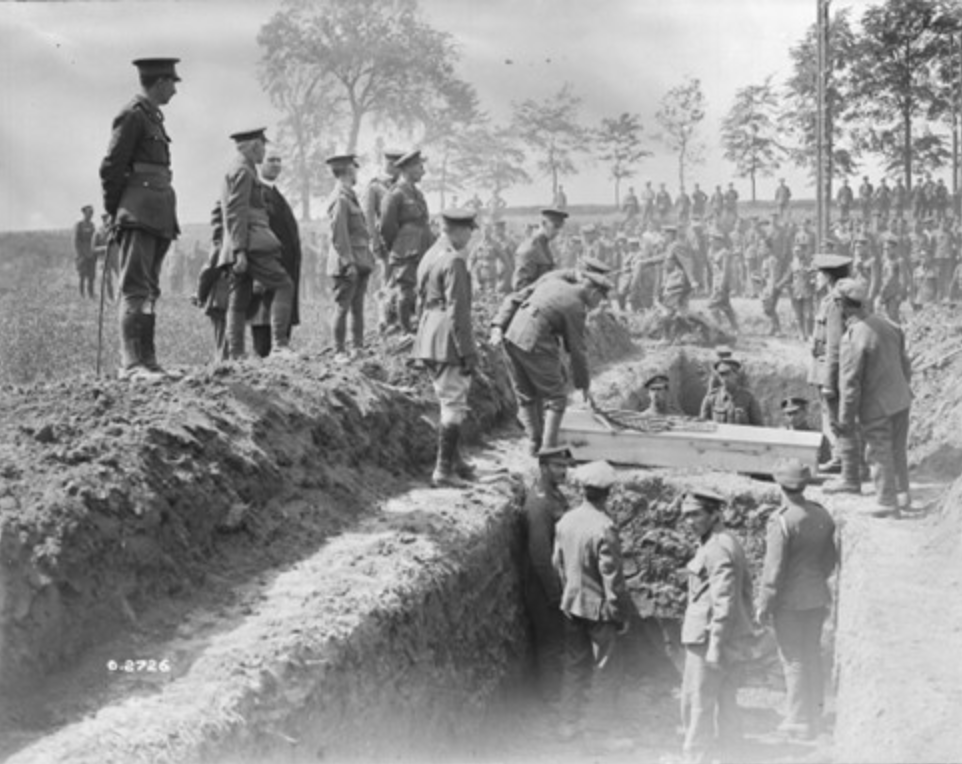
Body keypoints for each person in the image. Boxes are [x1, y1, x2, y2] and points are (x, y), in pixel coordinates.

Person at [100, 58, 184, 380]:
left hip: (158, 212)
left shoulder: (153, 118)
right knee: (135, 288)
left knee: (149, 289)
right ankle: (131, 365)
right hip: (137, 213)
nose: (175, 89)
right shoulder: (132, 115)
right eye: (172, 83)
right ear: (160, 81)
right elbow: (111, 167)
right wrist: (114, 210)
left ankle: (148, 362)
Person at [757, 458, 837, 741]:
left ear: (781, 485)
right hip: (817, 597)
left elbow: (773, 569)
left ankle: (797, 719)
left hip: (790, 601)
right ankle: (815, 713)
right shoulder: (822, 515)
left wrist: (764, 603)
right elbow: (830, 561)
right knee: (812, 652)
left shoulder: (780, 520)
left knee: (792, 658)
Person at [492, 270, 612, 455]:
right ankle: (548, 448)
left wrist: (498, 326)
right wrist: (584, 385)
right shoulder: (576, 306)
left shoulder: (553, 281)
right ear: (594, 293)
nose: (599, 304)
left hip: (512, 335)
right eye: (601, 299)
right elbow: (577, 350)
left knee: (526, 394)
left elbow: (515, 298)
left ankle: (534, 444)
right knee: (556, 397)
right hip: (534, 341)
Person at [552, 460, 630, 742]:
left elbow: (556, 563)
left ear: (583, 490)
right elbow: (614, 582)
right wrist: (620, 616)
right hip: (599, 612)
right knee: (605, 668)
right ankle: (597, 730)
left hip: (571, 605)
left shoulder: (565, 521)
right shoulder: (604, 528)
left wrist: (569, 592)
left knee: (574, 665)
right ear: (607, 493)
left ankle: (567, 724)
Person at [679, 489, 754, 764]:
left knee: (697, 701)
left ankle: (695, 757)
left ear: (715, 514)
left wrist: (715, 645)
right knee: (725, 700)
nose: (689, 521)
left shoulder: (717, 547)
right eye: (686, 516)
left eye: (696, 514)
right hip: (720, 635)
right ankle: (732, 755)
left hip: (709, 637)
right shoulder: (718, 541)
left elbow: (725, 600)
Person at [215, 128, 296, 360]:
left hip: (241, 242)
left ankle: (237, 354)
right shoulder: (243, 170)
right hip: (251, 243)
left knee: (239, 299)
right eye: (262, 146)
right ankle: (280, 346)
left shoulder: (239, 168)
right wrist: (241, 250)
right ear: (253, 147)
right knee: (283, 285)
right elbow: (236, 211)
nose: (264, 151)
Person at [834, 278, 913, 516]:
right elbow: (905, 365)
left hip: (877, 406)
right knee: (897, 450)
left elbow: (850, 385)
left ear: (841, 305)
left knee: (878, 451)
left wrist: (845, 421)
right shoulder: (889, 325)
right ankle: (902, 495)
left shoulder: (853, 337)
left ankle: (887, 503)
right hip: (900, 399)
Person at [413, 208, 479, 487]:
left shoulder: (430, 254)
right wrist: (467, 350)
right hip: (446, 337)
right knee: (454, 402)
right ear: (459, 230)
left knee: (447, 400)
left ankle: (456, 460)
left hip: (428, 333)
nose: (471, 237)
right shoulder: (454, 261)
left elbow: (419, 298)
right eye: (469, 231)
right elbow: (458, 310)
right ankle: (443, 471)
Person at [521, 444, 573, 712]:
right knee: (550, 641)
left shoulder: (555, 496)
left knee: (559, 639)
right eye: (557, 466)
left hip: (557, 580)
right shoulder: (539, 503)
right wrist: (555, 593)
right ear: (543, 468)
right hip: (542, 585)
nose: (563, 471)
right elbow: (540, 554)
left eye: (565, 466)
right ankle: (552, 700)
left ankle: (557, 692)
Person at [249, 149, 302, 358]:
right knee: (263, 320)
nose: (276, 164)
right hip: (267, 266)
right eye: (271, 160)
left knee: (282, 318)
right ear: (260, 163)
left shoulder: (277, 195)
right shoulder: (258, 194)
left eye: (279, 160)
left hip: (285, 267)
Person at [324, 153, 373, 359]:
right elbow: (339, 234)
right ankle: (339, 351)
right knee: (342, 307)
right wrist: (348, 262)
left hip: (359, 260)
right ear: (348, 170)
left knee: (358, 308)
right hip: (347, 263)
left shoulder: (349, 196)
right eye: (355, 167)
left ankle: (357, 348)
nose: (357, 171)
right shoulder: (340, 199)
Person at [380, 149, 434, 334]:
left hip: (424, 247)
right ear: (408, 168)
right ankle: (405, 330)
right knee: (405, 291)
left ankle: (420, 326)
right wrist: (399, 246)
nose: (423, 172)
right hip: (406, 250)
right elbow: (387, 227)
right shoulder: (395, 194)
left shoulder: (416, 193)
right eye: (419, 167)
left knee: (423, 288)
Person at [808, 253, 853, 475]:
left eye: (818, 274)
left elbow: (834, 345)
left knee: (834, 415)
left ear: (827, 276)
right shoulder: (828, 300)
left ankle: (840, 458)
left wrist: (828, 381)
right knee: (829, 413)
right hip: (823, 366)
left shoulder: (834, 304)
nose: (815, 278)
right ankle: (840, 457)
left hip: (829, 369)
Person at [364, 149, 403, 332]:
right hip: (385, 241)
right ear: (387, 164)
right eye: (393, 164)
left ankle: (395, 317)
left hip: (403, 241)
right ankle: (383, 318)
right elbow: (369, 217)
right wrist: (375, 241)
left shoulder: (402, 185)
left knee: (400, 279)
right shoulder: (375, 186)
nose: (396, 168)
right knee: (387, 278)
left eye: (398, 164)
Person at [512, 208, 568, 290]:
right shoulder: (529, 248)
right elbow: (520, 285)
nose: (558, 231)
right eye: (555, 226)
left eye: (560, 227)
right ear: (544, 223)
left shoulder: (544, 245)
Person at [699, 358, 763, 425]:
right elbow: (703, 426)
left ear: (736, 375)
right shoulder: (711, 398)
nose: (724, 378)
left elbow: (759, 428)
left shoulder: (748, 399)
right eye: (720, 374)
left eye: (727, 373)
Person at [706, 228, 738, 333]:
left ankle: (718, 327)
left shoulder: (725, 253)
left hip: (722, 283)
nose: (711, 242)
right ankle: (735, 327)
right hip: (716, 282)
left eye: (713, 240)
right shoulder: (711, 251)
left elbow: (726, 271)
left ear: (719, 241)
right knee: (725, 306)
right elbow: (711, 269)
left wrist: (722, 285)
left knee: (712, 305)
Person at [91, 212, 120, 302]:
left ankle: (119, 298)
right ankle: (110, 299)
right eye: (106, 219)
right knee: (107, 280)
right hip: (103, 259)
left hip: (115, 258)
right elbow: (93, 248)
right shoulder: (98, 232)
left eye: (110, 219)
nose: (108, 221)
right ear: (103, 220)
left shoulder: (116, 231)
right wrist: (104, 248)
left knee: (122, 278)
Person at [73, 205, 98, 299]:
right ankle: (82, 295)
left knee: (91, 276)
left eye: (91, 213)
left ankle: (91, 294)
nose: (90, 215)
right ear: (84, 213)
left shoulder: (92, 225)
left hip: (91, 254)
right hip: (82, 255)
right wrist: (80, 254)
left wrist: (94, 253)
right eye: (88, 213)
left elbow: (95, 239)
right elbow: (76, 241)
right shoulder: (79, 225)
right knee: (82, 276)